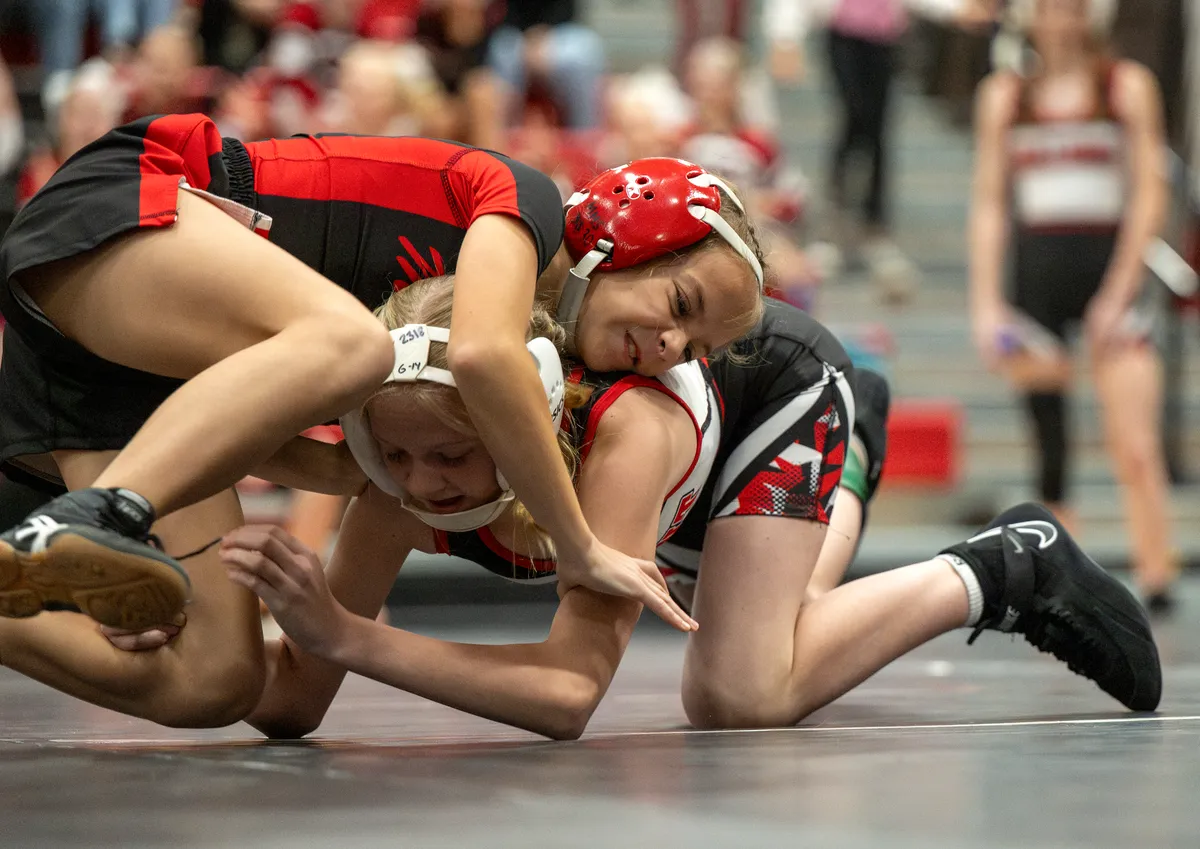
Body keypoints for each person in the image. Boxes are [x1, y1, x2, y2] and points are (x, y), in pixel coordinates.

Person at [0, 117, 762, 725]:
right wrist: (578, 545)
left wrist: (340, 477)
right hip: (137, 207)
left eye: (694, 348)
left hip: (128, 363)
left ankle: (84, 524)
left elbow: (272, 442)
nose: (669, 347)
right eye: (681, 306)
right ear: (621, 235)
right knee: (353, 347)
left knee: (217, 679)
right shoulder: (527, 207)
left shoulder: (533, 350)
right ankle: (96, 516)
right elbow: (482, 358)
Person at [212, 275, 1159, 740]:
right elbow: (296, 700)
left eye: (455, 453)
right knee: (781, 621)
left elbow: (568, 692)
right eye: (398, 455)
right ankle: (853, 458)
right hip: (687, 481)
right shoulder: (393, 483)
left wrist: (346, 634)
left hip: (764, 388)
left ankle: (1008, 562)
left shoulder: (619, 437)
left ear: (527, 425)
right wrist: (200, 644)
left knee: (740, 691)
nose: (426, 483)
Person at [969, 0, 1179, 611]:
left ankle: (1156, 579)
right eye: (1048, 6)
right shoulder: (1006, 95)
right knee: (1050, 447)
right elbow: (989, 203)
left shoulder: (1127, 86)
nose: (1060, 17)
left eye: (1071, 6)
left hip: (1109, 270)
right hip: (1036, 275)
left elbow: (1148, 192)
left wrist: (1121, 288)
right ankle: (1063, 592)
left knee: (1134, 441)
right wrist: (987, 305)